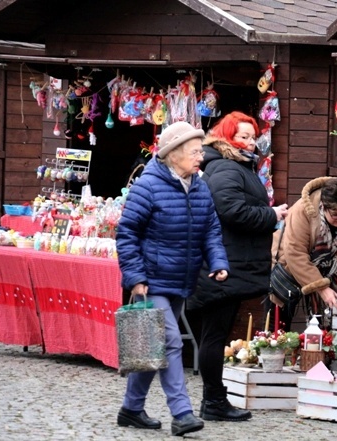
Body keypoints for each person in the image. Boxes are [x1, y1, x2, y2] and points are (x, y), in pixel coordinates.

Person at [116, 121, 229, 437]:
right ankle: (182, 413)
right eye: (194, 152)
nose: (200, 158)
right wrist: (136, 278)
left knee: (152, 345)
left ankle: (131, 409)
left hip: (181, 279)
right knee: (168, 341)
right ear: (174, 154)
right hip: (152, 281)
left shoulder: (199, 186)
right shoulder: (147, 187)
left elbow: (210, 230)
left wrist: (218, 262)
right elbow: (126, 234)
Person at [187, 111, 288, 422]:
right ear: (226, 136)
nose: (248, 141)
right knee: (214, 334)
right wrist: (272, 216)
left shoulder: (232, 165)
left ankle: (214, 400)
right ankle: (213, 402)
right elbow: (231, 211)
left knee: (215, 333)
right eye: (242, 136)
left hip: (227, 262)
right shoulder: (226, 167)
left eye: (251, 136)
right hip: (222, 265)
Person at [267, 177, 337, 330]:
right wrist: (321, 287)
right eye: (335, 215)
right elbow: (295, 253)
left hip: (334, 276)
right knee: (277, 326)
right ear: (323, 206)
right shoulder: (303, 210)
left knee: (332, 326)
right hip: (289, 266)